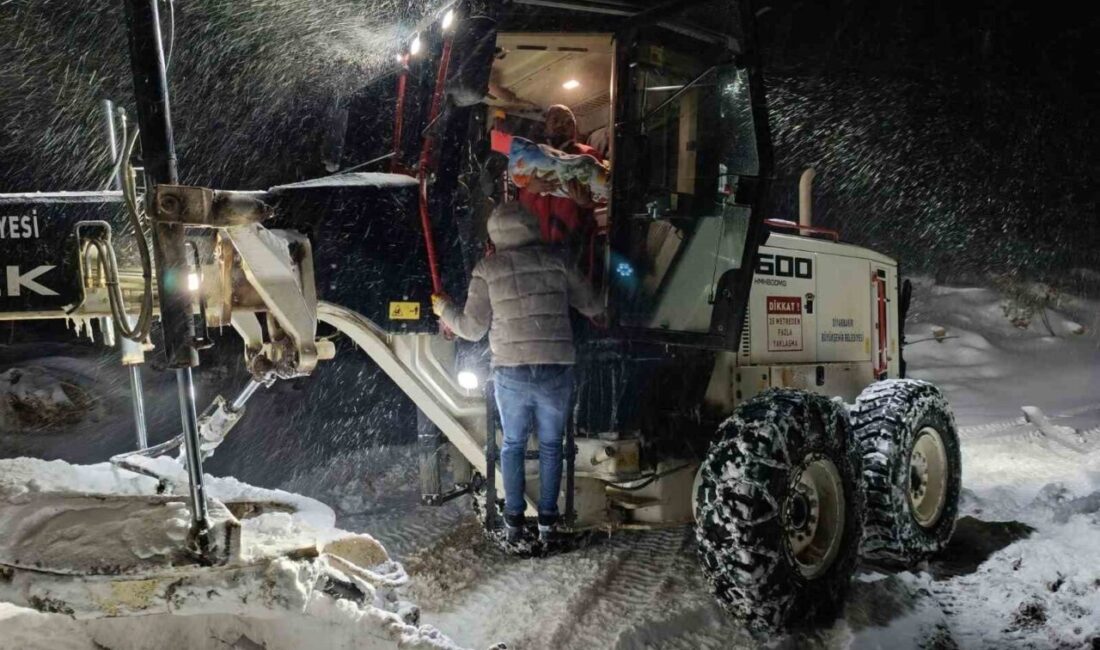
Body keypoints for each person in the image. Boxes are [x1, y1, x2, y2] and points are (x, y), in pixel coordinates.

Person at [431, 201, 602, 543]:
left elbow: (471, 328)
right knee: (553, 445)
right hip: (556, 368)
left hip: (511, 371)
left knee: (511, 445)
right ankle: (548, 523)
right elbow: (593, 306)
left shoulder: (487, 270)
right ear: (532, 227)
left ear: (495, 235)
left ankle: (513, 521)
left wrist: (443, 308)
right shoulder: (557, 262)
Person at [517, 104, 606, 257]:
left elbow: (604, 193)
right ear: (546, 127)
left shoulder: (587, 155)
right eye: (556, 120)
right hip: (537, 242)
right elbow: (521, 201)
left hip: (575, 241)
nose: (561, 125)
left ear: (574, 128)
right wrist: (530, 188)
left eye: (568, 122)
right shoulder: (533, 156)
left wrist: (586, 201)